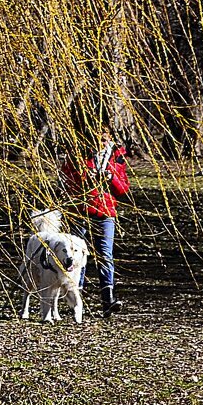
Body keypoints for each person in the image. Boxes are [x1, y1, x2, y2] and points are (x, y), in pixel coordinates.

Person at [60, 129, 130, 318]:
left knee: (105, 254)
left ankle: (108, 299)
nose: (101, 140)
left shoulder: (117, 156)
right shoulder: (77, 154)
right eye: (96, 135)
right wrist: (85, 178)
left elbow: (123, 188)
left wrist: (111, 178)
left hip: (106, 211)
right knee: (77, 254)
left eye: (104, 135)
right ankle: (76, 299)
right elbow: (66, 180)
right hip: (80, 210)